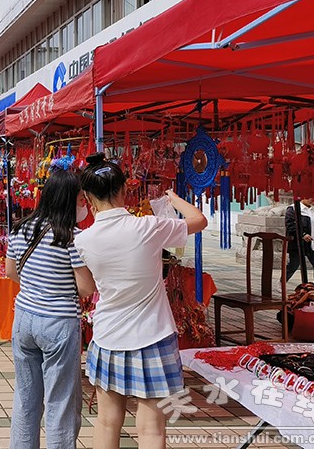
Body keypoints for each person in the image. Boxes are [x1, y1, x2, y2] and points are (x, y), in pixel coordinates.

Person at [74, 153, 206, 449]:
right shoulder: (148, 227)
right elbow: (199, 220)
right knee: (151, 428)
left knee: (107, 421)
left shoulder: (82, 241)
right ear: (124, 190)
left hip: (108, 336)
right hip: (153, 336)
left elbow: (87, 287)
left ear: (88, 198)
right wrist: (174, 199)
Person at [4, 169, 95, 448]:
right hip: (58, 322)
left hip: (24, 318)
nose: (84, 204)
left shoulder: (21, 228)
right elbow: (85, 288)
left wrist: (37, 287)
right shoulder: (71, 236)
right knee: (61, 399)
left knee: (26, 396)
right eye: (81, 199)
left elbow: (11, 272)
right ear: (69, 200)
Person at [285, 192, 314, 285]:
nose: (311, 199)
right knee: (293, 265)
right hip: (299, 244)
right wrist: (303, 234)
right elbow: (290, 225)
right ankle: (282, 282)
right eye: (309, 197)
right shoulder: (293, 209)